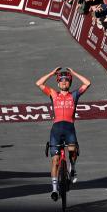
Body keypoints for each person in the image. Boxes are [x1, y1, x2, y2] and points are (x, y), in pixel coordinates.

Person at [36, 67, 90, 201]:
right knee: (54, 161)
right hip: (56, 129)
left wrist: (74, 73)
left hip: (69, 128)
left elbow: (87, 83)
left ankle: (72, 168)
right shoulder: (53, 94)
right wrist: (51, 73)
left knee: (72, 150)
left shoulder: (74, 95)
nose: (64, 83)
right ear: (58, 83)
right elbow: (39, 83)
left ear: (69, 83)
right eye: (61, 81)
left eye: (66, 81)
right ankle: (54, 190)